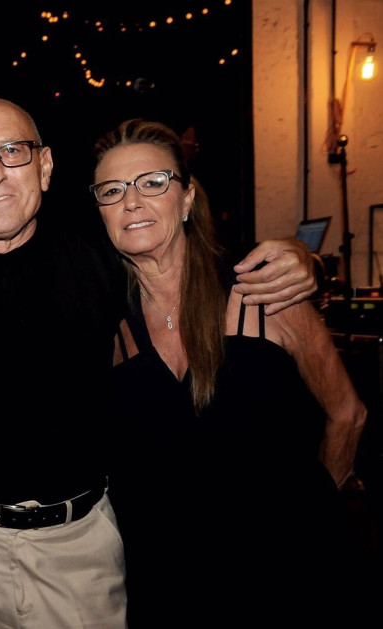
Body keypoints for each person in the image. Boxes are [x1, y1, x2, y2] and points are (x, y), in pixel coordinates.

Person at [0, 98, 319, 628]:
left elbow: (186, 258)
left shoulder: (105, 260)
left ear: (45, 167)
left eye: (13, 152)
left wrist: (298, 255)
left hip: (82, 549)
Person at [90, 118, 369, 627]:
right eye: (112, 190)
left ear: (187, 199)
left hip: (291, 582)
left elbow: (347, 414)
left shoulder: (262, 294)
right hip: (171, 588)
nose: (131, 202)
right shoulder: (108, 327)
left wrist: (308, 515)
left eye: (153, 182)